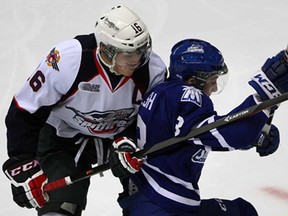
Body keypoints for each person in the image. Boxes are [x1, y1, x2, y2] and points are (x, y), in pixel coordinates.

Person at [2, 5, 167, 216]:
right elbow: (25, 110)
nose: (137, 59)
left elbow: (152, 119)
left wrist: (129, 139)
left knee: (151, 201)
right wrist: (23, 162)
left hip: (122, 139)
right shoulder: (67, 60)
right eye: (129, 54)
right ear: (107, 51)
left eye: (141, 50)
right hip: (63, 138)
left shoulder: (153, 70)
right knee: (60, 208)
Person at [109, 38, 288, 216]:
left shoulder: (164, 93)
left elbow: (199, 136)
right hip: (162, 204)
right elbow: (226, 135)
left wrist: (254, 135)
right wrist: (266, 92)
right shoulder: (186, 94)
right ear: (191, 79)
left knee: (240, 211)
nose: (215, 86)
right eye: (212, 80)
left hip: (147, 200)